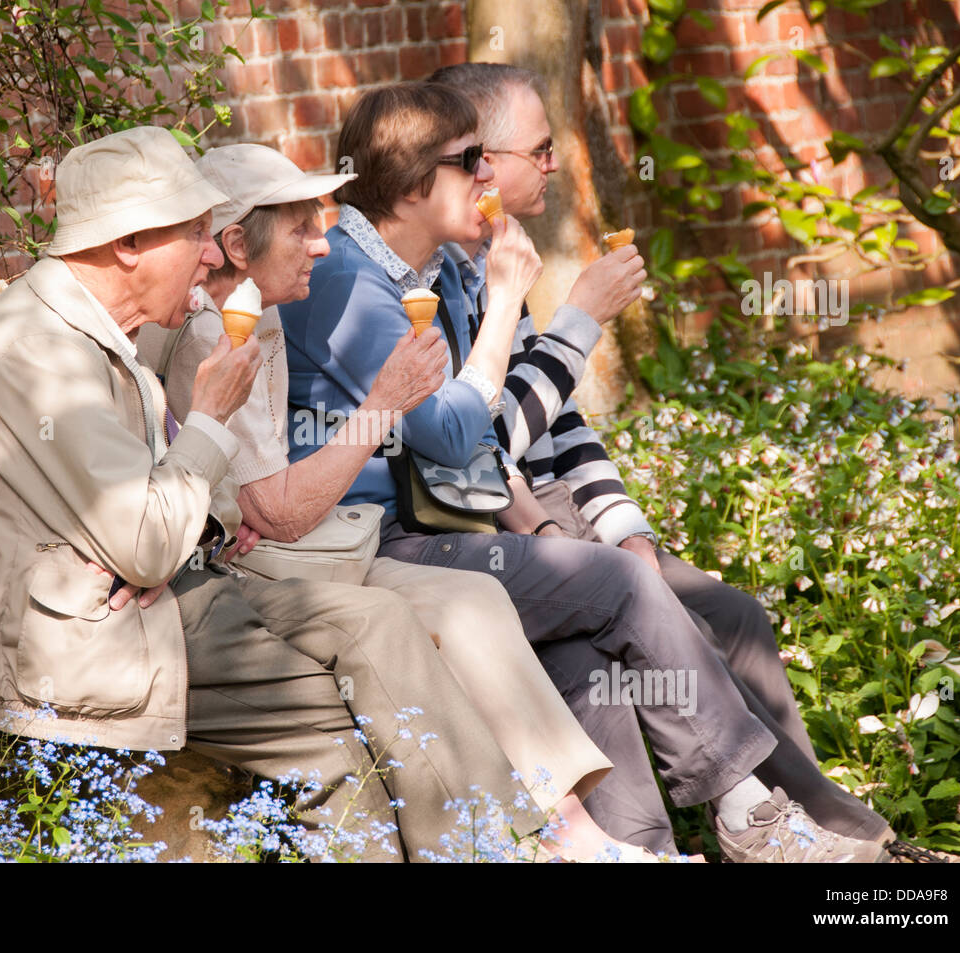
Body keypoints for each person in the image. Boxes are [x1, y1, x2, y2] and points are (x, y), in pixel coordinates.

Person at [279, 82, 888, 861]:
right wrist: (510, 307)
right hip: (379, 542)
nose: (487, 179)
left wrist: (563, 514)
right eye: (471, 162)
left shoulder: (430, 269)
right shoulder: (353, 284)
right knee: (623, 585)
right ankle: (746, 817)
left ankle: (647, 848)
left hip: (448, 524)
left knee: (585, 655)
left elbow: (520, 433)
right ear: (410, 181)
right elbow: (453, 439)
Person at [0, 125, 549, 862]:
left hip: (156, 598)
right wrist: (212, 422)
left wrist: (190, 531)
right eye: (192, 232)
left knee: (379, 622)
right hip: (82, 642)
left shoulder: (100, 332)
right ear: (128, 245)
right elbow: (150, 536)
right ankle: (485, 849)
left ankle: (505, 849)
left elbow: (156, 517)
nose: (208, 252)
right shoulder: (38, 353)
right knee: (338, 728)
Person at [137, 142, 678, 862]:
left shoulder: (256, 311)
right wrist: (384, 403)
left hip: (311, 547)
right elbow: (282, 513)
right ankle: (537, 842)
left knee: (473, 601)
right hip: (266, 568)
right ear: (237, 243)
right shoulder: (214, 328)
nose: (321, 244)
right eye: (300, 228)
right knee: (443, 613)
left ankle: (574, 833)